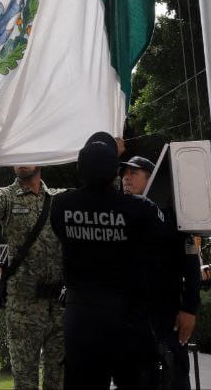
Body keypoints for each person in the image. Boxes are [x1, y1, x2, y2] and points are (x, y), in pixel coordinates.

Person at [49, 132, 163, 390]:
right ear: (115, 172)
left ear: (79, 169)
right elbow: (154, 244)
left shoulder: (61, 205)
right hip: (127, 320)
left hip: (81, 320)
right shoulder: (139, 210)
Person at [0, 155, 64, 389]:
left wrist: (112, 159)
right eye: (15, 156)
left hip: (58, 307)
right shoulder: (6, 195)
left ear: (40, 159)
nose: (20, 161)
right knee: (25, 381)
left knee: (57, 381)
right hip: (24, 308)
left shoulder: (58, 198)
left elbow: (97, 199)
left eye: (27, 155)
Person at [120, 154, 200, 390]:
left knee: (173, 374)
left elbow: (191, 265)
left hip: (166, 314)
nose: (126, 178)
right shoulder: (118, 215)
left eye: (133, 173)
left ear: (151, 178)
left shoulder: (173, 218)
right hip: (130, 315)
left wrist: (189, 308)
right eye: (124, 174)